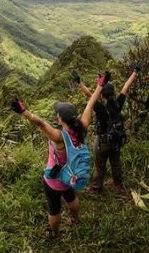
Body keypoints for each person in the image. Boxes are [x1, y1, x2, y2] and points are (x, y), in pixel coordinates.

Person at [10, 74, 105, 238]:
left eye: (57, 114)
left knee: (54, 209)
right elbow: (90, 104)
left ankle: (55, 233)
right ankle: (75, 220)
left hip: (55, 180)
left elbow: (39, 123)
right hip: (72, 176)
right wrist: (100, 86)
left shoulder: (59, 137)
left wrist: (24, 111)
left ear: (60, 118)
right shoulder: (82, 127)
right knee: (71, 198)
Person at [71, 63, 144, 192]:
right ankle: (118, 185)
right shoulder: (118, 103)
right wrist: (135, 71)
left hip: (102, 141)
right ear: (113, 93)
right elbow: (126, 86)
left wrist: (79, 82)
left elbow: (89, 94)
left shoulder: (99, 107)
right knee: (115, 163)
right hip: (116, 140)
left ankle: (96, 187)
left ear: (102, 95)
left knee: (100, 165)